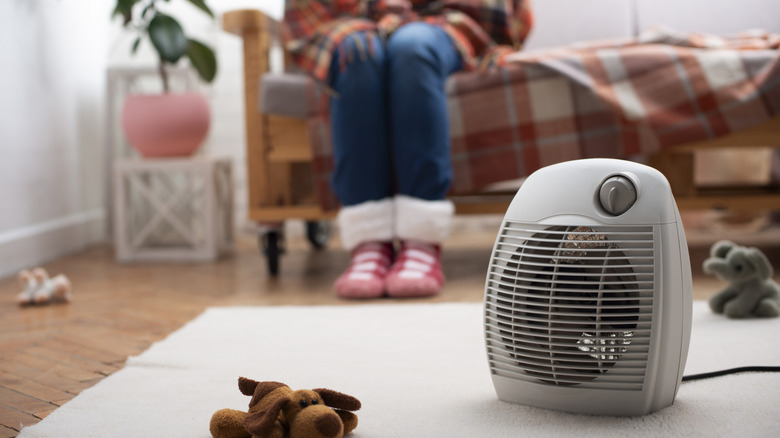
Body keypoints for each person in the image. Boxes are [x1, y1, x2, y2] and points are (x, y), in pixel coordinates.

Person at [282, 0, 533, 299]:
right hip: (352, 22)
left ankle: (421, 241)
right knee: (357, 51)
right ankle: (369, 243)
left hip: (440, 20)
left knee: (412, 46)